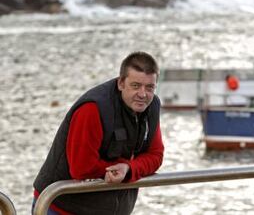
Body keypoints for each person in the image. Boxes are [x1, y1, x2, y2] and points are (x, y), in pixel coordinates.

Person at [32, 51, 164, 215]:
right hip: (60, 207)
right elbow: (81, 168)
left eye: (150, 87)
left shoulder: (151, 106)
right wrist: (122, 169)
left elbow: (156, 155)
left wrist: (128, 169)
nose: (143, 94)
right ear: (121, 83)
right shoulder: (93, 109)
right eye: (135, 86)